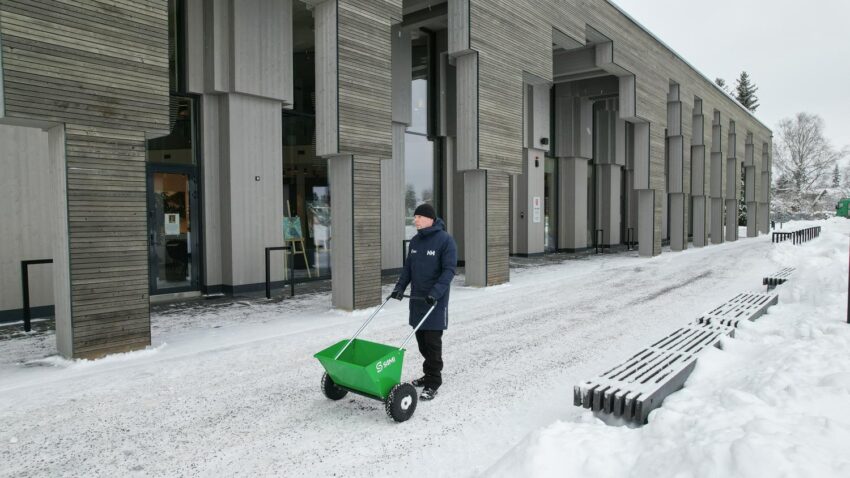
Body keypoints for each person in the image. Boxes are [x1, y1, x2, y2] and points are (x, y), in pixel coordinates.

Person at [389, 203, 457, 401]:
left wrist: (435, 293)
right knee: (421, 344)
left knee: (432, 344)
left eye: (418, 217)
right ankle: (428, 374)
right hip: (418, 301)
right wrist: (399, 288)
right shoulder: (416, 242)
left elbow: (449, 270)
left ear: (430, 219)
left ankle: (433, 381)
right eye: (415, 217)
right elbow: (408, 269)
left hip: (434, 302)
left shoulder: (446, 241)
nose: (415, 220)